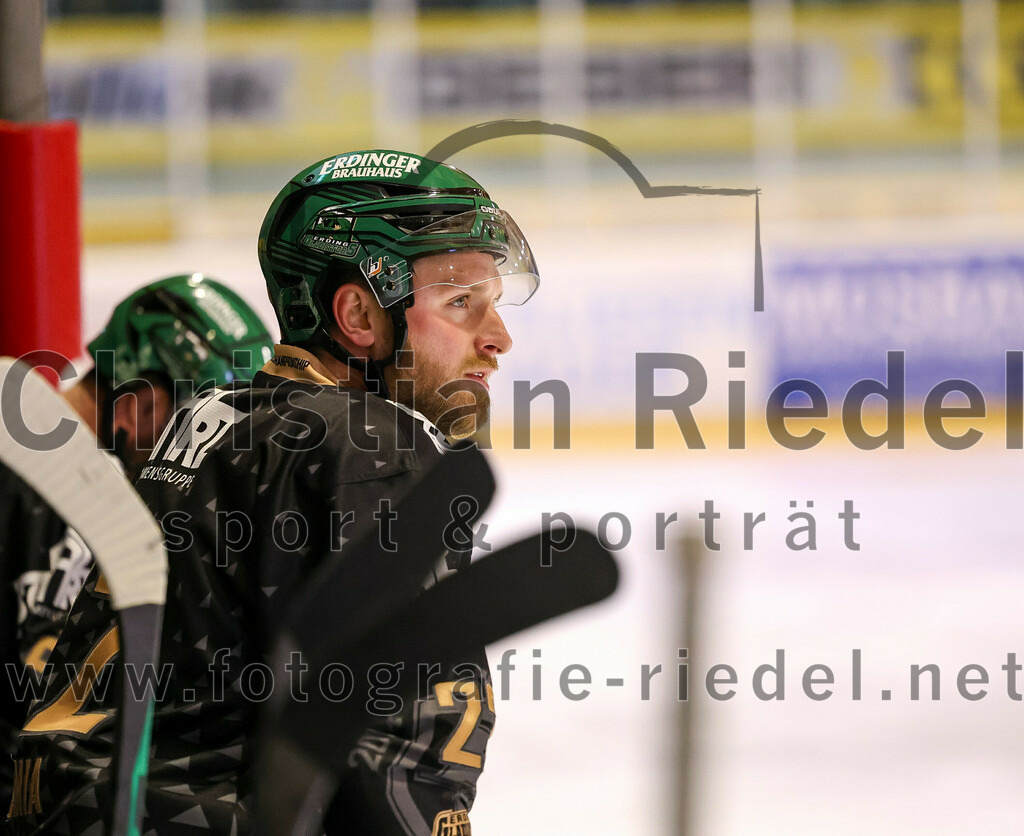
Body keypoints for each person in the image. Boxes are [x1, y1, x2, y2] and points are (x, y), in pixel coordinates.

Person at [7, 149, 538, 835]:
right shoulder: (370, 448)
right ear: (358, 313)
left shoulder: (212, 415)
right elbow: (396, 746)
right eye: (462, 303)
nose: (498, 338)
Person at [0, 274, 274, 816]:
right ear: (142, 406)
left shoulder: (53, 466)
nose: (200, 463)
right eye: (194, 429)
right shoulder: (64, 492)